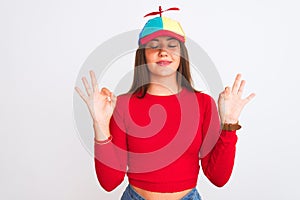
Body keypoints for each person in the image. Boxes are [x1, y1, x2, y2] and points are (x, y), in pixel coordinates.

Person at [75, 7, 255, 200]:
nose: (163, 52)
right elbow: (110, 183)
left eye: (172, 45)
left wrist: (229, 124)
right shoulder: (123, 105)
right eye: (154, 45)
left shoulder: (203, 104)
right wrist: (100, 124)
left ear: (182, 55)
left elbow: (218, 178)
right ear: (143, 55)